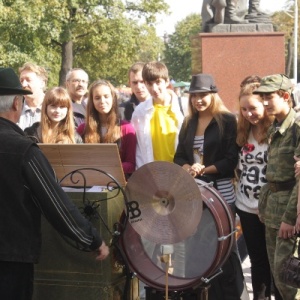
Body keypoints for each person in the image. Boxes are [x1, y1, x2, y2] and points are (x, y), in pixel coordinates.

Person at [0, 67, 109, 300]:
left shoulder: (25, 146)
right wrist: (92, 239)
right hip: (10, 258)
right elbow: (56, 204)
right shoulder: (23, 149)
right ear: (17, 104)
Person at [173, 73, 245, 300]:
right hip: (193, 193)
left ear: (213, 95)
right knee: (194, 245)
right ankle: (196, 293)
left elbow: (230, 160)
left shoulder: (227, 120)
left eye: (203, 95)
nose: (198, 100)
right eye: (194, 96)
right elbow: (178, 157)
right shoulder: (188, 122)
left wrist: (204, 169)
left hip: (220, 192)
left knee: (223, 246)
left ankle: (229, 294)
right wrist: (188, 168)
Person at [254, 74, 300, 300]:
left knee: (290, 279)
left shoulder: (297, 127)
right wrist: (263, 205)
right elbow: (272, 175)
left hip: (288, 215)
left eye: (269, 97)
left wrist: (290, 218)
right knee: (277, 277)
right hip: (273, 211)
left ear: (285, 95)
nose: (264, 103)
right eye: (262, 97)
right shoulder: (276, 126)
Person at [235, 80, 275, 300]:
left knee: (274, 264)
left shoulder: (276, 133)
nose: (249, 113)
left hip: (270, 210)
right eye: (244, 109)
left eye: (253, 108)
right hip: (246, 207)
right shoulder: (241, 132)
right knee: (258, 263)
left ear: (264, 105)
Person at [77, 79, 136, 178]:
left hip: (117, 185)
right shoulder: (82, 129)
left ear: (113, 98)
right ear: (92, 101)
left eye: (106, 96)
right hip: (89, 184)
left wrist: (107, 167)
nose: (102, 101)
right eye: (97, 98)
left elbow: (131, 164)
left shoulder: (126, 128)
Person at [131, 61, 184, 169]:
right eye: (149, 84)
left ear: (167, 81)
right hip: (154, 175)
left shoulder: (184, 106)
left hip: (180, 172)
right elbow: (139, 151)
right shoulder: (140, 112)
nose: (154, 88)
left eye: (158, 82)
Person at [17, 62, 48, 130]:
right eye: (21, 81)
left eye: (28, 80)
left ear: (42, 83)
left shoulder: (54, 106)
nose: (24, 85)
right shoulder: (14, 108)